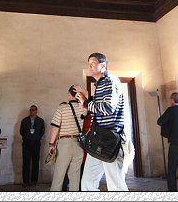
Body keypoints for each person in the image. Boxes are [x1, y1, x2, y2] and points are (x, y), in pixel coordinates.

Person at [74, 52, 135, 191]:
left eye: (93, 62)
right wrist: (87, 104)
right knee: (87, 183)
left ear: (103, 65)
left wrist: (87, 103)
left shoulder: (110, 80)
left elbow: (108, 108)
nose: (90, 66)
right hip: (98, 139)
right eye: (88, 63)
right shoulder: (100, 84)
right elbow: (100, 108)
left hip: (110, 140)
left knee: (116, 186)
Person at [48, 86, 85, 191]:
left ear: (69, 94)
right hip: (78, 144)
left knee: (59, 175)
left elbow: (55, 127)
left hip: (65, 143)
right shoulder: (83, 108)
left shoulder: (62, 108)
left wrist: (51, 144)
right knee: (75, 176)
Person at [19, 104, 45, 186]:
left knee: (35, 161)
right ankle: (25, 181)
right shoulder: (25, 120)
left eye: (33, 110)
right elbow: (21, 131)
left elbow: (42, 131)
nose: (31, 111)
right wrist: (26, 137)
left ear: (36, 111)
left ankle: (34, 180)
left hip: (36, 142)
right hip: (26, 142)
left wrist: (37, 137)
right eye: (30, 110)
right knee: (26, 162)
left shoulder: (40, 121)